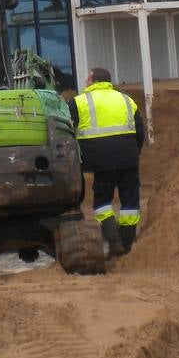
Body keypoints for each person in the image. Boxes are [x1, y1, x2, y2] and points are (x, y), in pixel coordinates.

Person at [69, 67, 145, 256]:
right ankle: (127, 249)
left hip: (99, 161)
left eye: (87, 78)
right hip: (128, 157)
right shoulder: (126, 100)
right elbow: (140, 131)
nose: (85, 82)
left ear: (93, 81)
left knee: (102, 202)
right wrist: (134, 153)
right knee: (130, 204)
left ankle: (114, 242)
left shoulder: (79, 102)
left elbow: (66, 132)